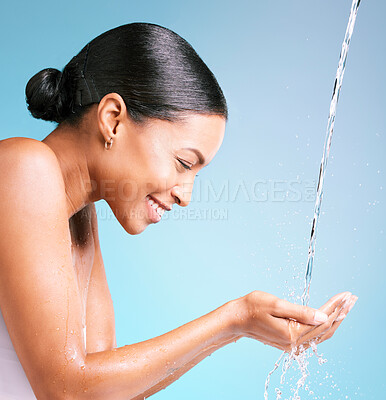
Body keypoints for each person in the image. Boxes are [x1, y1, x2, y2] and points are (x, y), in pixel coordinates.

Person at [0, 22, 357, 399]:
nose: (186, 196)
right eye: (184, 164)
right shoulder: (24, 166)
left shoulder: (79, 218)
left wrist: (241, 327)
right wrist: (234, 319)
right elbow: (67, 391)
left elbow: (103, 392)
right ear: (112, 119)